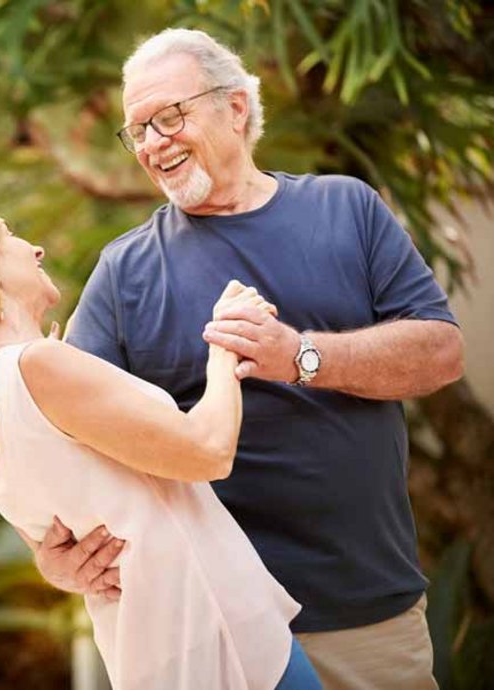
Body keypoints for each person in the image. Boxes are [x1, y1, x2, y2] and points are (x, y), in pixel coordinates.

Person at [36, 28, 463, 690]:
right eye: (136, 130)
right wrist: (55, 556)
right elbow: (64, 437)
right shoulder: (124, 272)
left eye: (167, 117)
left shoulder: (345, 209)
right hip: (208, 633)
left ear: (235, 107)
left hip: (362, 616)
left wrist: (300, 356)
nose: (151, 144)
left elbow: (441, 351)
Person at [0, 201, 323, 689]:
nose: (35, 247)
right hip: (218, 636)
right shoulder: (38, 366)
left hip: (152, 656)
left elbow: (55, 549)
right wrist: (225, 345)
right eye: (10, 233)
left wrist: (55, 569)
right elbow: (209, 451)